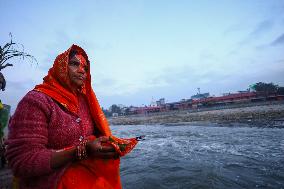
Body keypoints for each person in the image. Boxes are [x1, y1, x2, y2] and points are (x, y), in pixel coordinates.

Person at [5, 44, 139, 189]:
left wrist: (108, 145)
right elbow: (22, 161)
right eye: (75, 64)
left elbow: (93, 136)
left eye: (85, 68)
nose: (82, 71)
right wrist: (81, 151)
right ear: (61, 67)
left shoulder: (85, 102)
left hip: (89, 172)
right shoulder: (36, 101)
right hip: (51, 181)